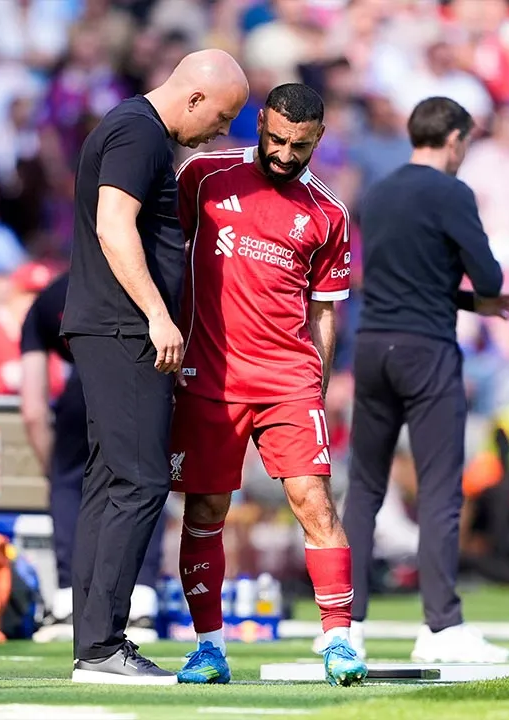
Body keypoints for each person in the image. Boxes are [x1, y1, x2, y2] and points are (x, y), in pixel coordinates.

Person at [167, 83, 367, 687]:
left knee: (315, 504)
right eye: (276, 139)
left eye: (298, 146)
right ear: (260, 124)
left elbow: (325, 310)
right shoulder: (202, 175)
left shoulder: (329, 214)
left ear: (318, 140)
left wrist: (316, 385)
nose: (283, 154)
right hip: (209, 376)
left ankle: (338, 640)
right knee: (205, 509)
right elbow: (163, 252)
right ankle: (208, 648)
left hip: (288, 381)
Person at [60, 49, 249, 685]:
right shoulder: (141, 132)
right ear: (194, 98)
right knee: (140, 483)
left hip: (108, 325)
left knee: (108, 482)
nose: (221, 131)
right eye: (221, 117)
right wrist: (157, 316)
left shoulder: (130, 129)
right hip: (124, 328)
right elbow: (116, 226)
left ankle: (92, 641)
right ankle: (104, 647)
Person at [340, 96, 509, 664]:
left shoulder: (377, 192)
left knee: (364, 488)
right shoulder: (452, 192)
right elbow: (489, 274)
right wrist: (480, 297)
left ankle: (346, 622)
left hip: (372, 347)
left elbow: (398, 278)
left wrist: (465, 299)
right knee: (441, 487)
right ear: (456, 140)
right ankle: (441, 625)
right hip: (426, 351)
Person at [19, 269, 168, 644]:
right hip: (140, 381)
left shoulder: (50, 297)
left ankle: (70, 598)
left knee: (75, 487)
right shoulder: (153, 276)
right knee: (144, 481)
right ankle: (142, 598)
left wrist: (54, 476)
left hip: (80, 392)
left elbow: (33, 410)